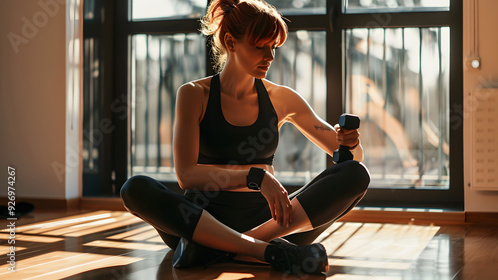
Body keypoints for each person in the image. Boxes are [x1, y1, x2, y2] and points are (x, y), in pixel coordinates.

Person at [120, 0, 370, 275]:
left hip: (271, 222)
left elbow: (351, 159)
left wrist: (350, 143)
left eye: (273, 47)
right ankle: (264, 250)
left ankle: (220, 249)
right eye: (260, 46)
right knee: (134, 188)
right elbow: (186, 175)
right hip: (201, 219)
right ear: (231, 42)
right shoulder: (193, 94)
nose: (270, 56)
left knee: (357, 174)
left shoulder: (282, 98)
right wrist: (256, 176)